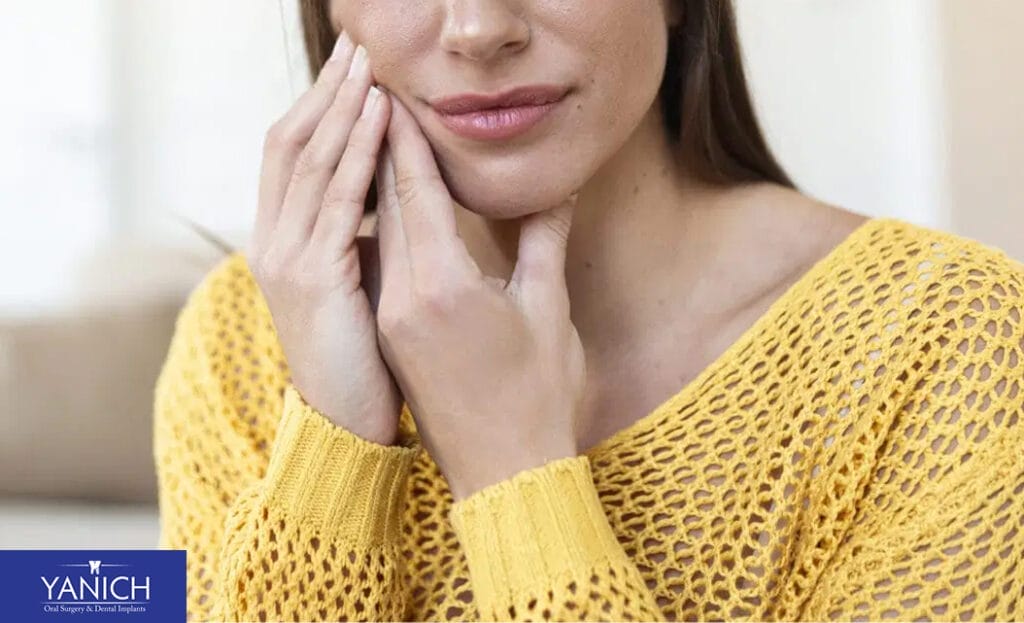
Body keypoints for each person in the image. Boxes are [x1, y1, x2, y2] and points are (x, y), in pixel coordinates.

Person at [153, 1, 1024, 621]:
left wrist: (514, 473)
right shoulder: (244, 339)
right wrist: (334, 448)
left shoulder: (949, 342)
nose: (477, 26)